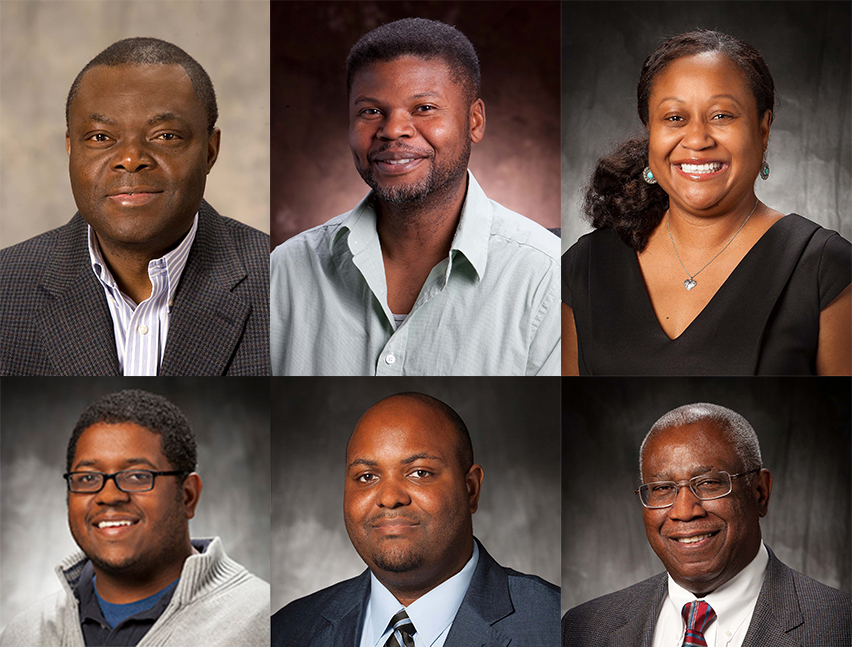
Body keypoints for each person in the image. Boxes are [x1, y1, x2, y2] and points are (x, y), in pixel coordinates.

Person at [270, 18, 560, 376]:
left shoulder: (545, 277)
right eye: (371, 111)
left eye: (424, 108)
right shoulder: (282, 273)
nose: (393, 130)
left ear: (474, 121)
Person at [561, 30, 851, 376]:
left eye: (721, 116)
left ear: (763, 130)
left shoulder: (826, 269)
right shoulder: (584, 266)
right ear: (651, 132)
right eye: (674, 118)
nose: (697, 139)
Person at [0, 37, 270, 376]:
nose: (130, 159)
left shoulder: (281, 281)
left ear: (210, 152)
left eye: (165, 136)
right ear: (71, 150)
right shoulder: (6, 287)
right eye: (100, 137)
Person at [272, 392, 559, 646]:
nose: (389, 497)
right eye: (367, 476)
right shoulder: (287, 631)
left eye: (420, 472)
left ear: (471, 488)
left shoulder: (554, 626)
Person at [562, 402, 852, 647]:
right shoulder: (583, 629)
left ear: (760, 492)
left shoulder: (839, 625)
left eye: (710, 483)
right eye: (662, 488)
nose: (685, 511)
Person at [0, 389, 269, 646]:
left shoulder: (260, 621)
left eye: (138, 476)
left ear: (188, 496)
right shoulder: (24, 633)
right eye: (88, 478)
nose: (109, 495)